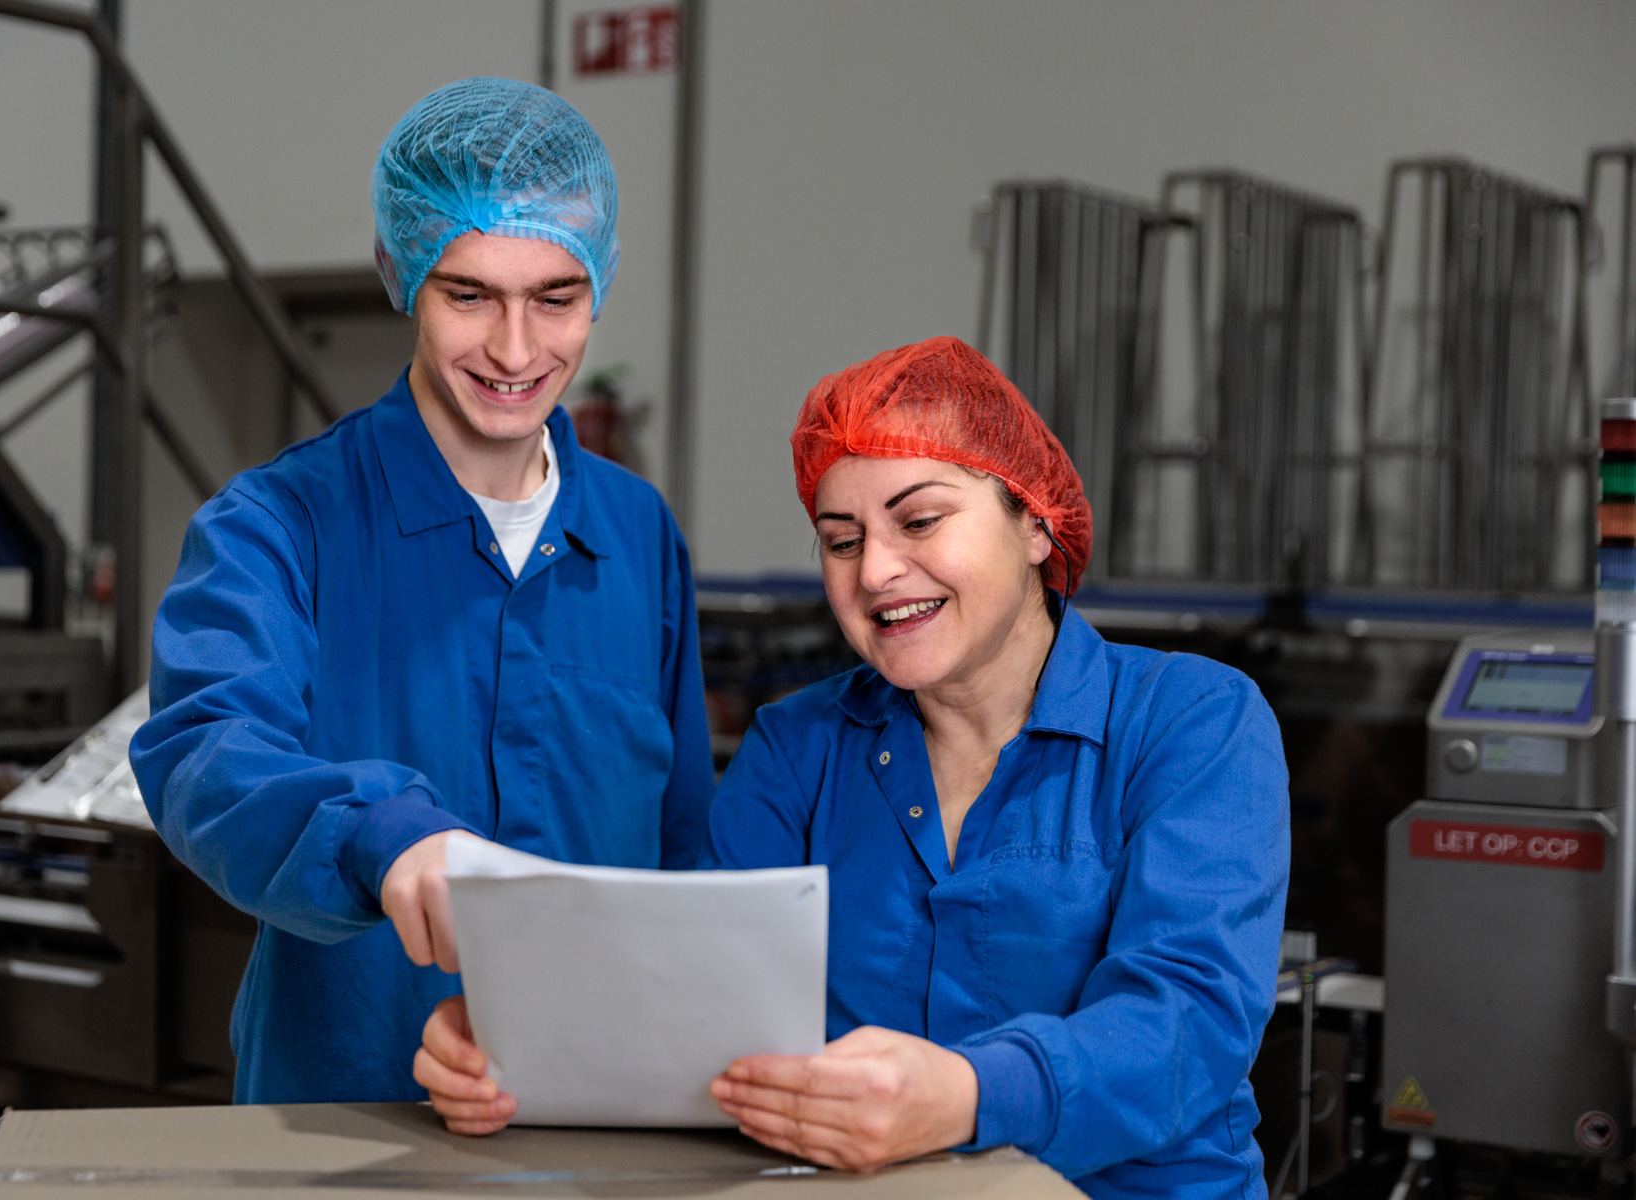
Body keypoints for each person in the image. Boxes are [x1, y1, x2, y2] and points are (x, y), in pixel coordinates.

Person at [420, 336, 1289, 1196]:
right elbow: (698, 999)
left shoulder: (1190, 722)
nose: (875, 571)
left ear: (1033, 521)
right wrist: (525, 1042)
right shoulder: (797, 747)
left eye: (919, 521)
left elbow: (1188, 1018)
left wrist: (964, 1097)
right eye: (841, 541)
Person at [131, 77, 714, 1106]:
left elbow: (682, 839)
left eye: (555, 299)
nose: (515, 350)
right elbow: (205, 753)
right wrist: (382, 835)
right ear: (400, 274)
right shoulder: (277, 526)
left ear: (599, 285)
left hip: (594, 1115)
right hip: (346, 1114)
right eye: (469, 295)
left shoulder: (637, 533)